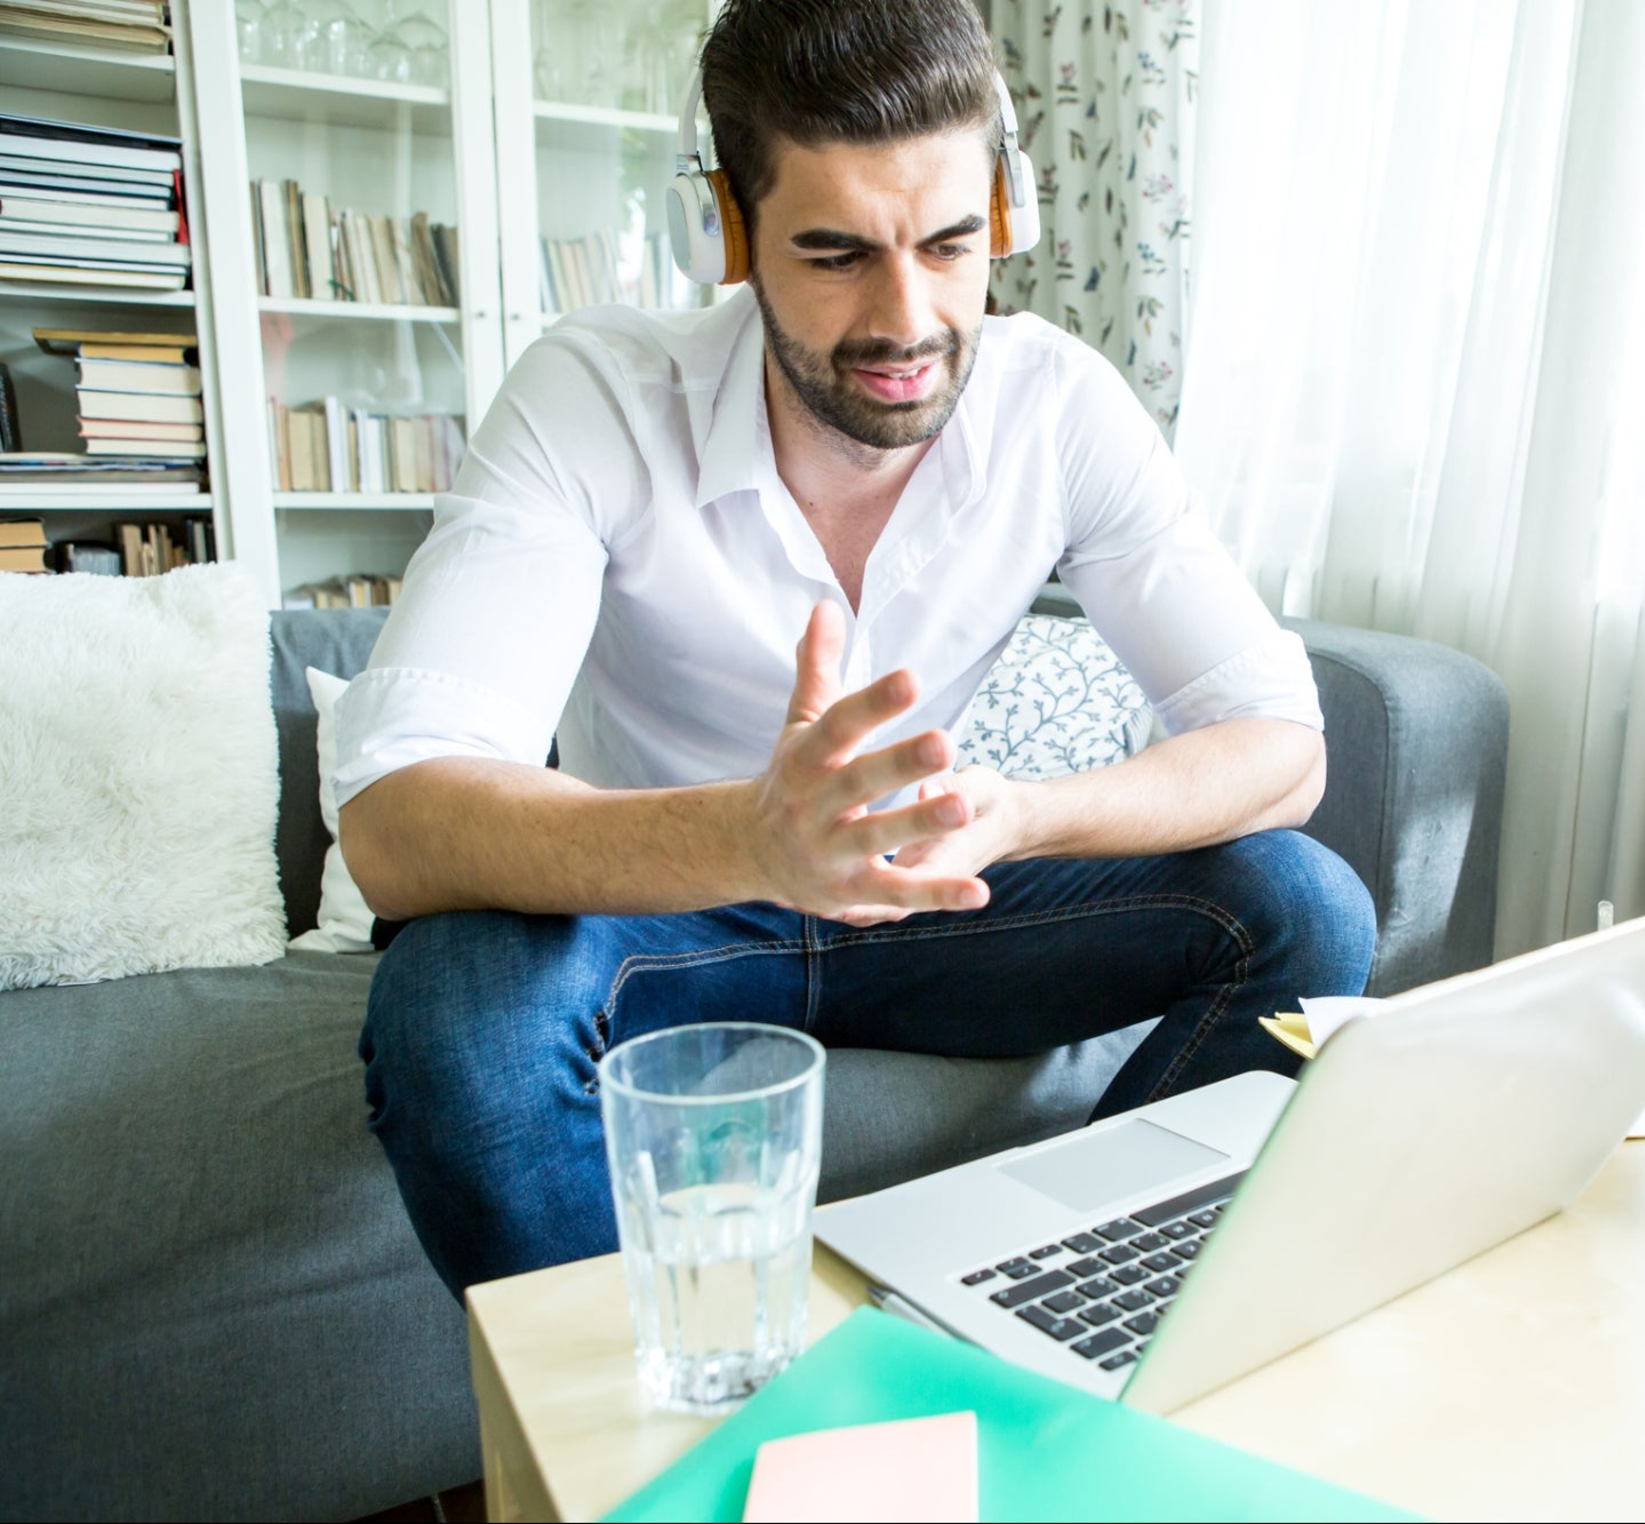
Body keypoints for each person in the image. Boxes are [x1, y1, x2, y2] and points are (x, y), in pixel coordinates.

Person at [338, 0, 1375, 1299]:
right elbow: (395, 820)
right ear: (724, 231)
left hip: (930, 902)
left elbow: (1281, 747)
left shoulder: (1057, 404)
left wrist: (1024, 816)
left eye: (949, 245)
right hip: (670, 917)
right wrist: (753, 838)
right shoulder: (595, 393)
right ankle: (648, 1410)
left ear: (1003, 211)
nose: (908, 320)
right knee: (455, 1008)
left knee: (1305, 906)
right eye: (835, 254)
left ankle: (1051, 1295)